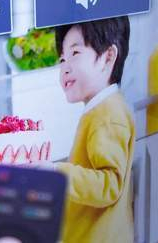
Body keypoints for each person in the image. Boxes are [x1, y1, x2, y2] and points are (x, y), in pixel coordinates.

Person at [53, 17, 135, 243]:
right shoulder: (101, 109)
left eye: (75, 53)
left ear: (108, 57)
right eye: (62, 59)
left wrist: (57, 173)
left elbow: (110, 185)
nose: (64, 67)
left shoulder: (108, 114)